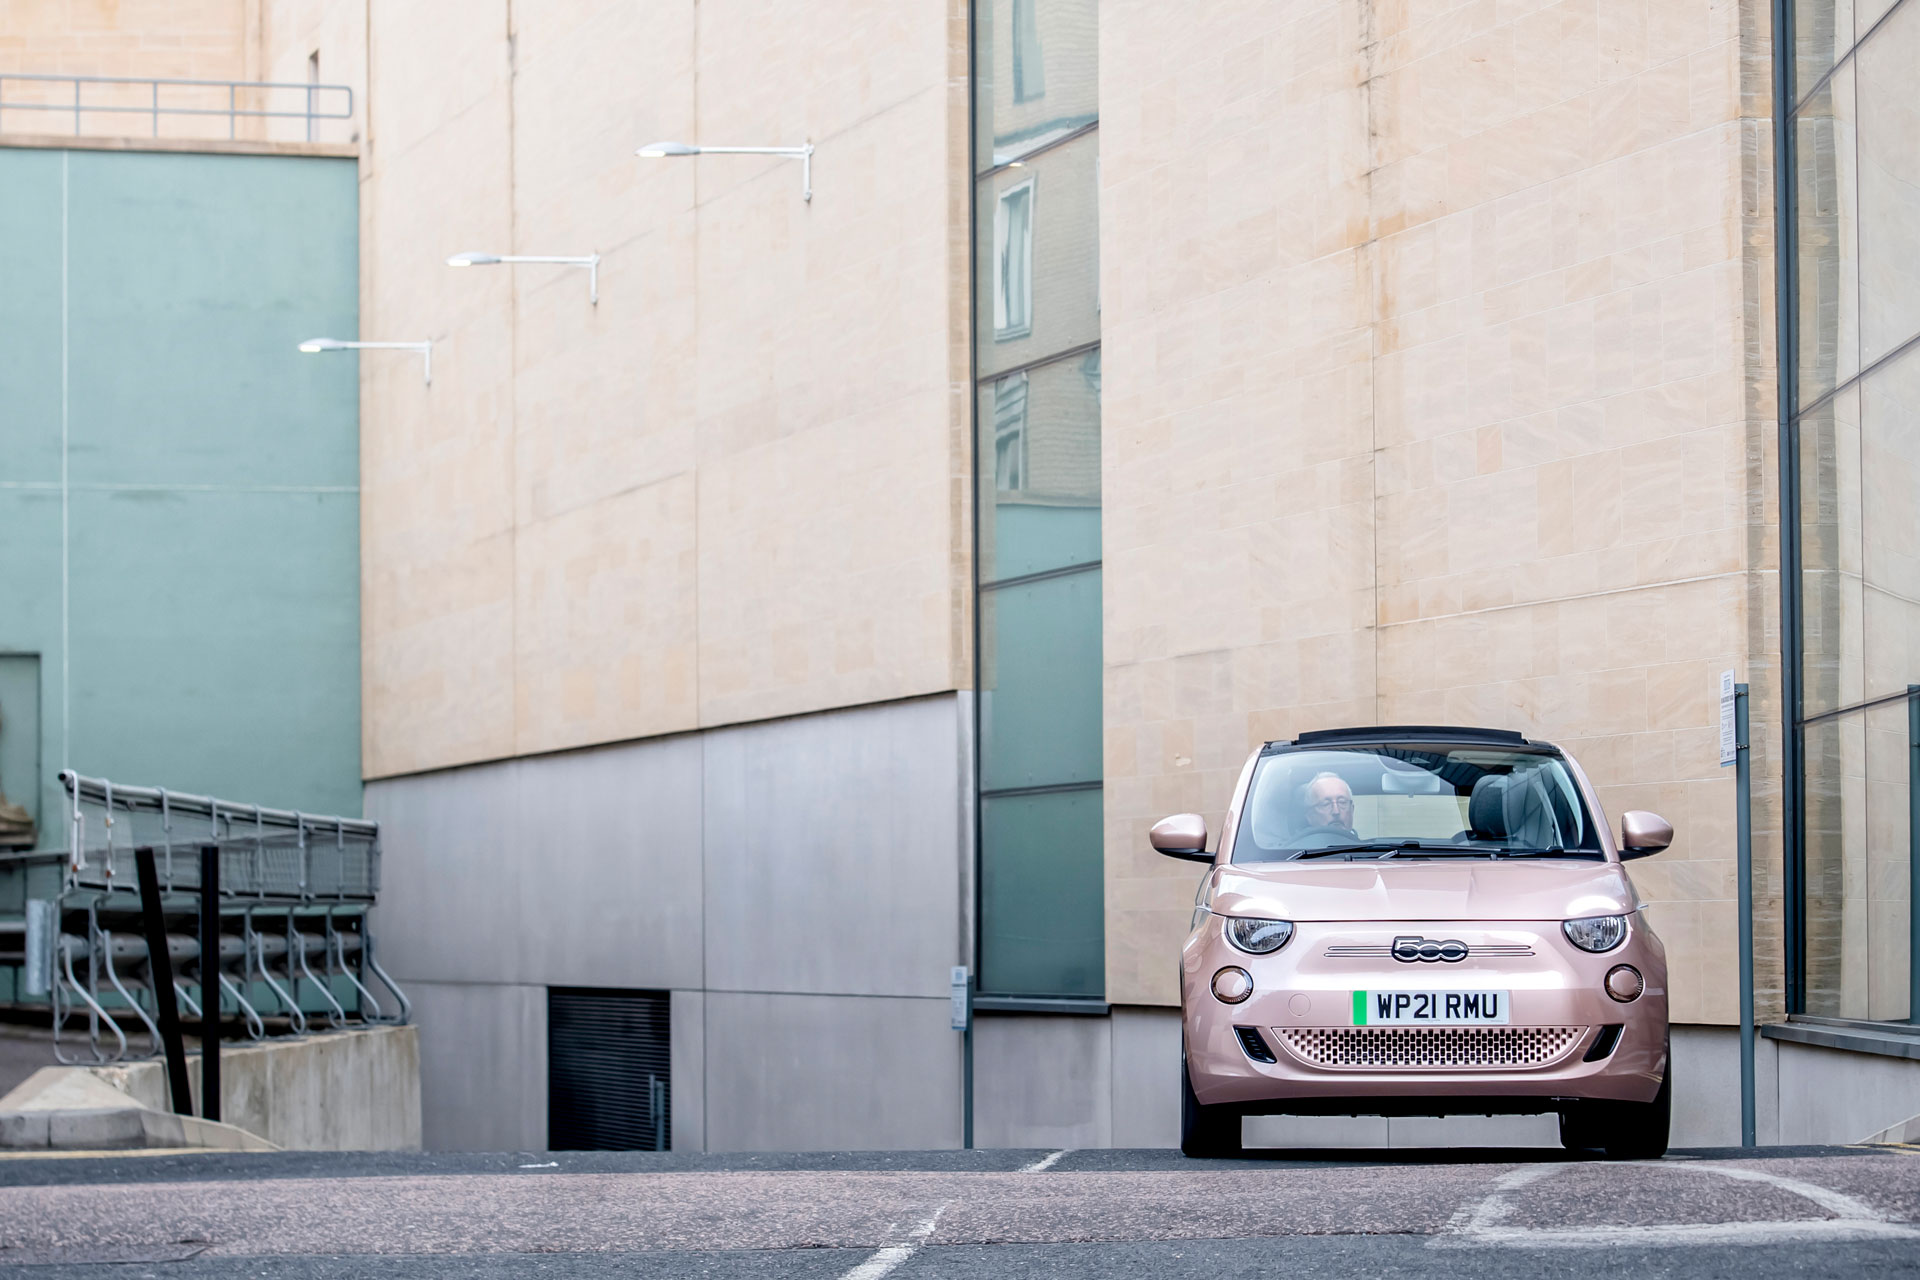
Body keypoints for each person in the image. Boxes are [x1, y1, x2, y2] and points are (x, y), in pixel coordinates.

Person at [1302, 771, 1357, 838]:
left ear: (1352, 810)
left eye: (1342, 802)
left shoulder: (1368, 847)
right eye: (1326, 804)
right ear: (1310, 816)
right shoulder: (1295, 847)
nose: (1336, 811)